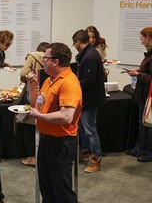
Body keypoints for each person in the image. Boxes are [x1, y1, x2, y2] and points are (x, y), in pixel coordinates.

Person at [27, 42, 82, 203]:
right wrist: (32, 88)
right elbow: (36, 106)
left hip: (61, 143)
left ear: (55, 61)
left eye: (46, 58)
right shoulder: (50, 80)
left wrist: (40, 116)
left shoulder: (69, 83)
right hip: (47, 140)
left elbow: (67, 116)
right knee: (47, 189)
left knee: (62, 192)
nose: (43, 60)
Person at [72, 29, 106, 173]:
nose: (74, 46)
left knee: (91, 130)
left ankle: (96, 160)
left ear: (78, 42)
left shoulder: (90, 56)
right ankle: (86, 152)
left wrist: (73, 84)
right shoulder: (89, 54)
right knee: (84, 128)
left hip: (90, 100)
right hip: (87, 99)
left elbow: (90, 81)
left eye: (74, 43)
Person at [19, 41, 49, 166]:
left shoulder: (32, 56)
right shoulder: (51, 60)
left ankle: (32, 157)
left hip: (33, 92)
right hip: (47, 92)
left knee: (27, 124)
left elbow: (22, 74)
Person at [125, 27, 152, 162]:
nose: (141, 42)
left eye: (142, 39)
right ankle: (139, 149)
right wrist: (139, 70)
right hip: (144, 95)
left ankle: (148, 152)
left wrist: (138, 74)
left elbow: (150, 78)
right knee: (143, 124)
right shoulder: (149, 54)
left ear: (148, 38)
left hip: (148, 96)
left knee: (148, 124)